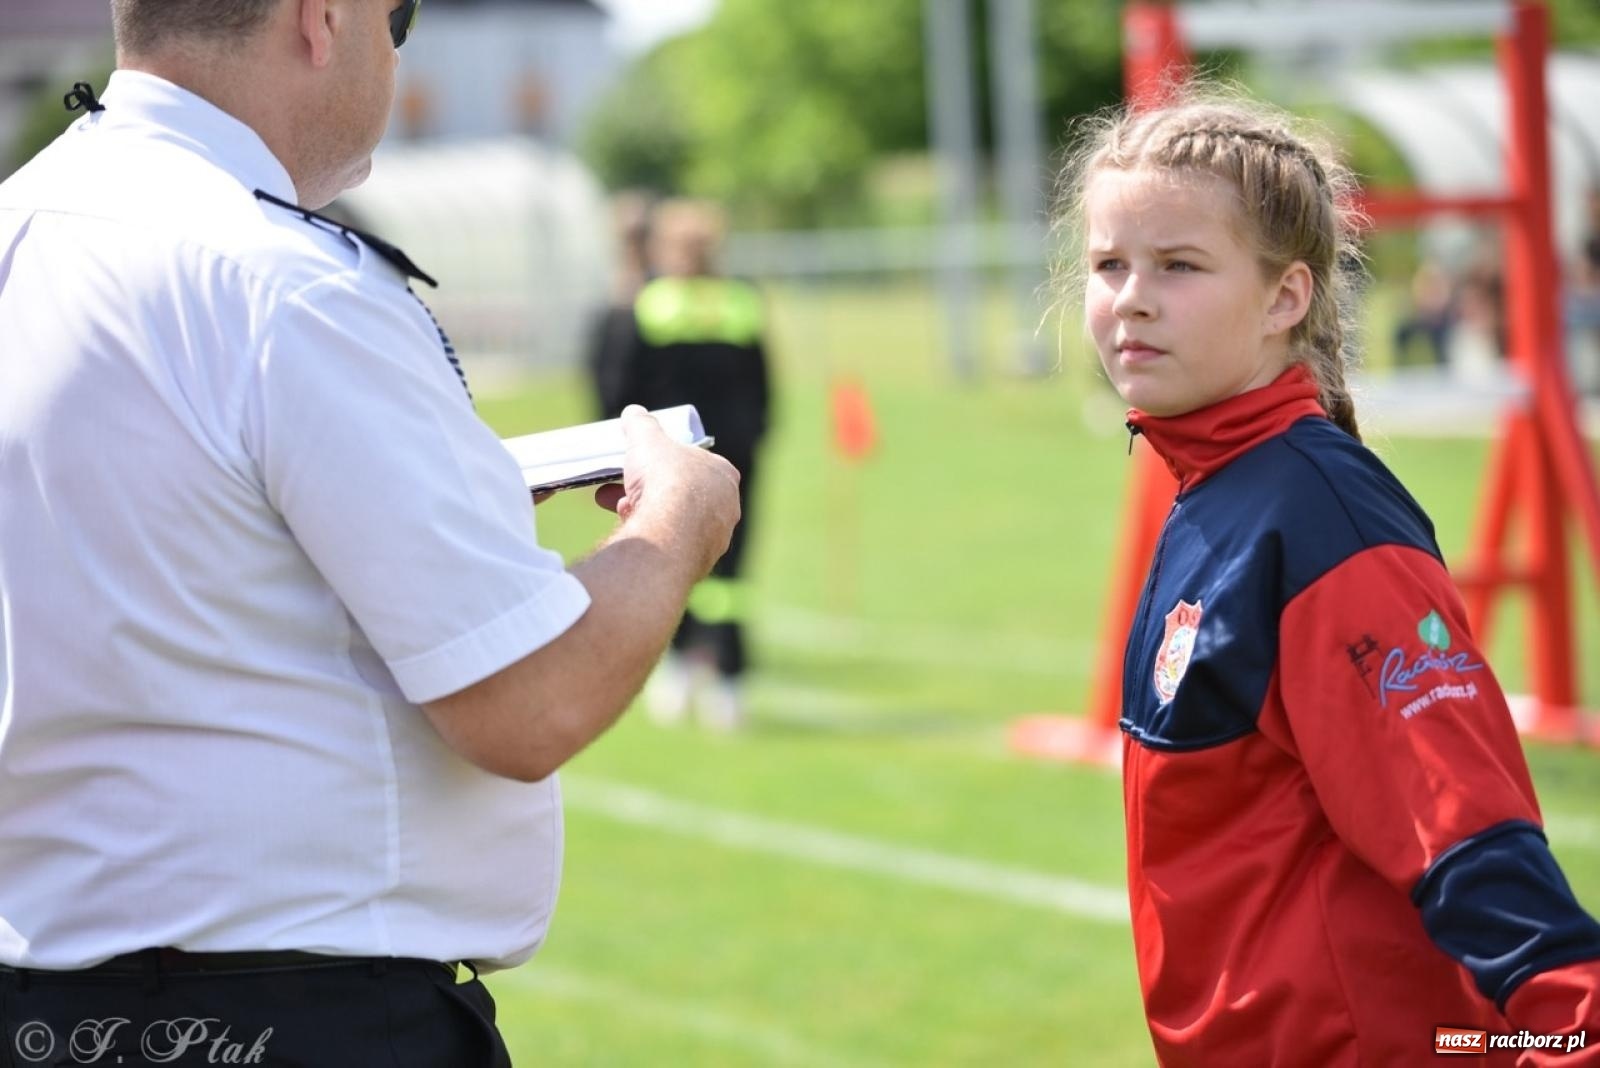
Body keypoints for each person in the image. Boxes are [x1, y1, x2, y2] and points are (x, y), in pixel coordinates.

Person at [0, 0, 739, 1063]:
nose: (395, 47)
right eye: (400, 16)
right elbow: (530, 702)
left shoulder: (30, 223)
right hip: (295, 1016)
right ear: (320, 17)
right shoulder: (279, 279)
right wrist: (682, 514)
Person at [1057, 88, 1600, 1065]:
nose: (1131, 296)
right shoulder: (1214, 489)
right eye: (1108, 264)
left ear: (1284, 297)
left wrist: (1574, 1026)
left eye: (1178, 265)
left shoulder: (1320, 525)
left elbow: (1464, 830)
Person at [594, 199, 772, 730]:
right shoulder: (740, 301)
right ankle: (727, 679)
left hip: (670, 457)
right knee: (732, 569)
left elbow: (620, 390)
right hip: (734, 458)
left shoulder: (648, 305)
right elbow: (763, 385)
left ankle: (677, 669)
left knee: (671, 557)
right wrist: (754, 436)